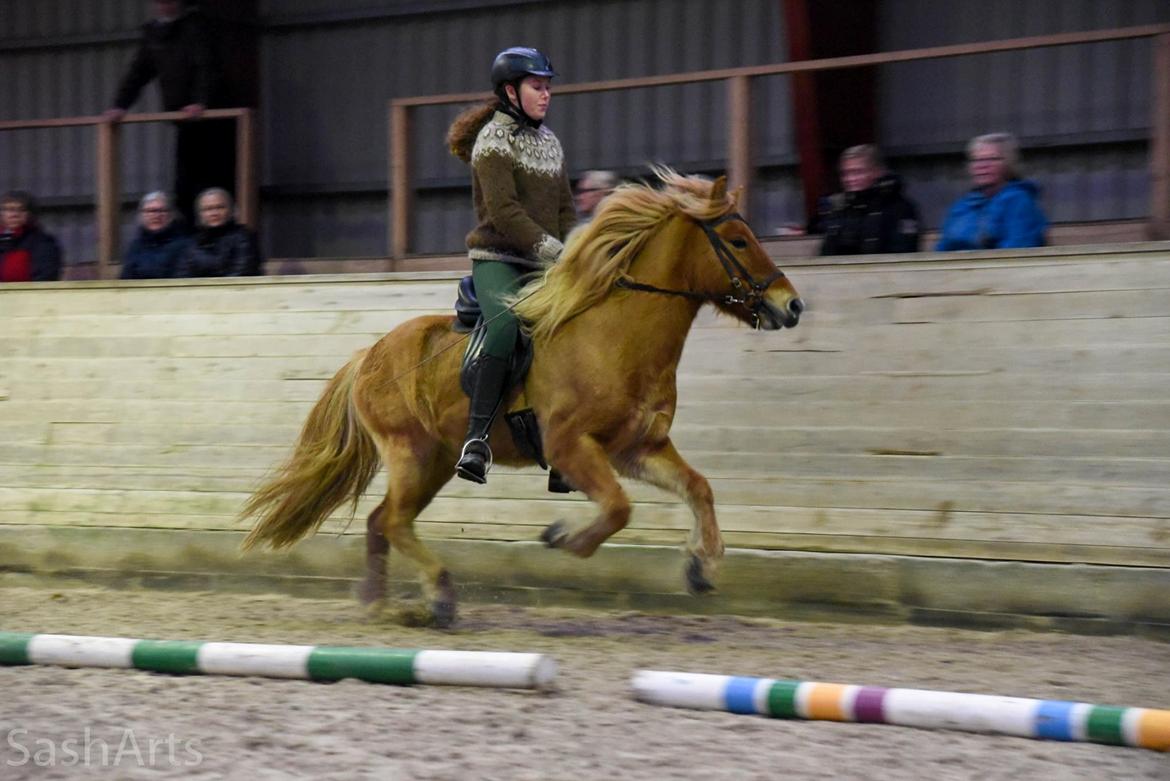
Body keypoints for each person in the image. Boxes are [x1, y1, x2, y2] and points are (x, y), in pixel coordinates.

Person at [445, 46, 576, 484]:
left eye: (548, 87)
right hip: (499, 258)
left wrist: (578, 249)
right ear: (510, 92)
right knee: (503, 329)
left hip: (546, 263)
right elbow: (503, 212)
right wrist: (553, 250)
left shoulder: (550, 142)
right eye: (537, 87)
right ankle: (476, 440)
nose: (546, 94)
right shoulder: (493, 140)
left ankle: (563, 447)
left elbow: (565, 210)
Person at [104, 0, 234, 226]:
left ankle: (219, 230)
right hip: (184, 121)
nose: (164, 6)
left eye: (169, 1)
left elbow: (207, 66)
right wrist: (120, 105)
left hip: (211, 119)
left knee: (214, 181)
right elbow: (138, 72)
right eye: (160, 1)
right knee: (185, 187)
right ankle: (192, 233)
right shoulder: (154, 33)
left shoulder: (196, 27)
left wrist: (200, 101)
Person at [936, 132, 1048, 251]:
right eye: (976, 160)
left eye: (991, 159)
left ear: (1008, 164)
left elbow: (1017, 250)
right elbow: (942, 249)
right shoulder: (962, 207)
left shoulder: (1019, 202)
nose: (982, 166)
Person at [817, 144, 920, 256]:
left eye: (858, 172)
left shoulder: (900, 208)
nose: (850, 179)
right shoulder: (840, 209)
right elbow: (827, 251)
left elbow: (903, 251)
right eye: (845, 173)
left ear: (877, 172)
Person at [177, 188, 261, 277]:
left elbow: (243, 272)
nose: (214, 213)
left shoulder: (244, 238)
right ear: (200, 214)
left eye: (220, 207)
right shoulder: (192, 245)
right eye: (208, 209)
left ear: (231, 210)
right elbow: (182, 276)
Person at [121, 191, 191, 279]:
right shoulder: (135, 247)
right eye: (150, 211)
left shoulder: (184, 246)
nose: (156, 215)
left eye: (161, 211)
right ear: (142, 215)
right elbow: (126, 279)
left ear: (170, 215)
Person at [0, 191, 63, 283]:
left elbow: (46, 277)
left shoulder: (43, 242)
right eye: (9, 209)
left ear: (30, 214)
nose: (14, 215)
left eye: (21, 210)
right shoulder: (2, 240)